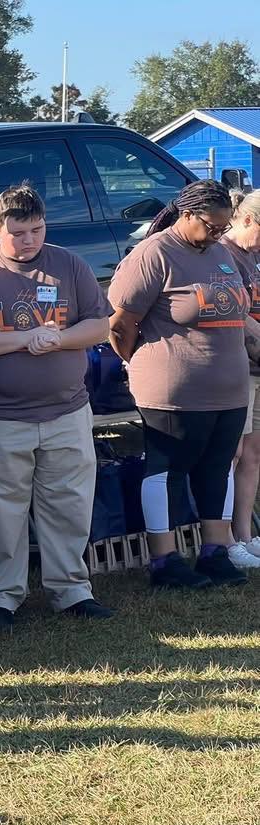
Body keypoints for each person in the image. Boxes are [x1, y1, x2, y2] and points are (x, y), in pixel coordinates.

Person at [0, 183, 113, 627]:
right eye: (18, 233)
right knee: (1, 509)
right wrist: (25, 338)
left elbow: (99, 326)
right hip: (1, 416)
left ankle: (72, 589)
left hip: (67, 410)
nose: (29, 241)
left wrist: (59, 338)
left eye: (37, 230)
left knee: (69, 503)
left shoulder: (69, 264)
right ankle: (2, 597)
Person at [109, 179, 254, 590]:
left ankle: (214, 552)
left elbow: (237, 312)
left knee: (217, 468)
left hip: (229, 388)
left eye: (224, 227)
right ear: (187, 214)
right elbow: (120, 323)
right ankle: (165, 559)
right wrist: (138, 361)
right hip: (173, 390)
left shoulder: (220, 253)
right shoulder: (154, 253)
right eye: (211, 226)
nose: (218, 234)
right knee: (168, 471)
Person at [218, 189, 260, 568]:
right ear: (247, 219)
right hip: (238, 367)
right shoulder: (222, 253)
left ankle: (246, 534)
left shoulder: (253, 255)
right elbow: (234, 312)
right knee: (231, 453)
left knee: (254, 452)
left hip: (257, 367)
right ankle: (227, 541)